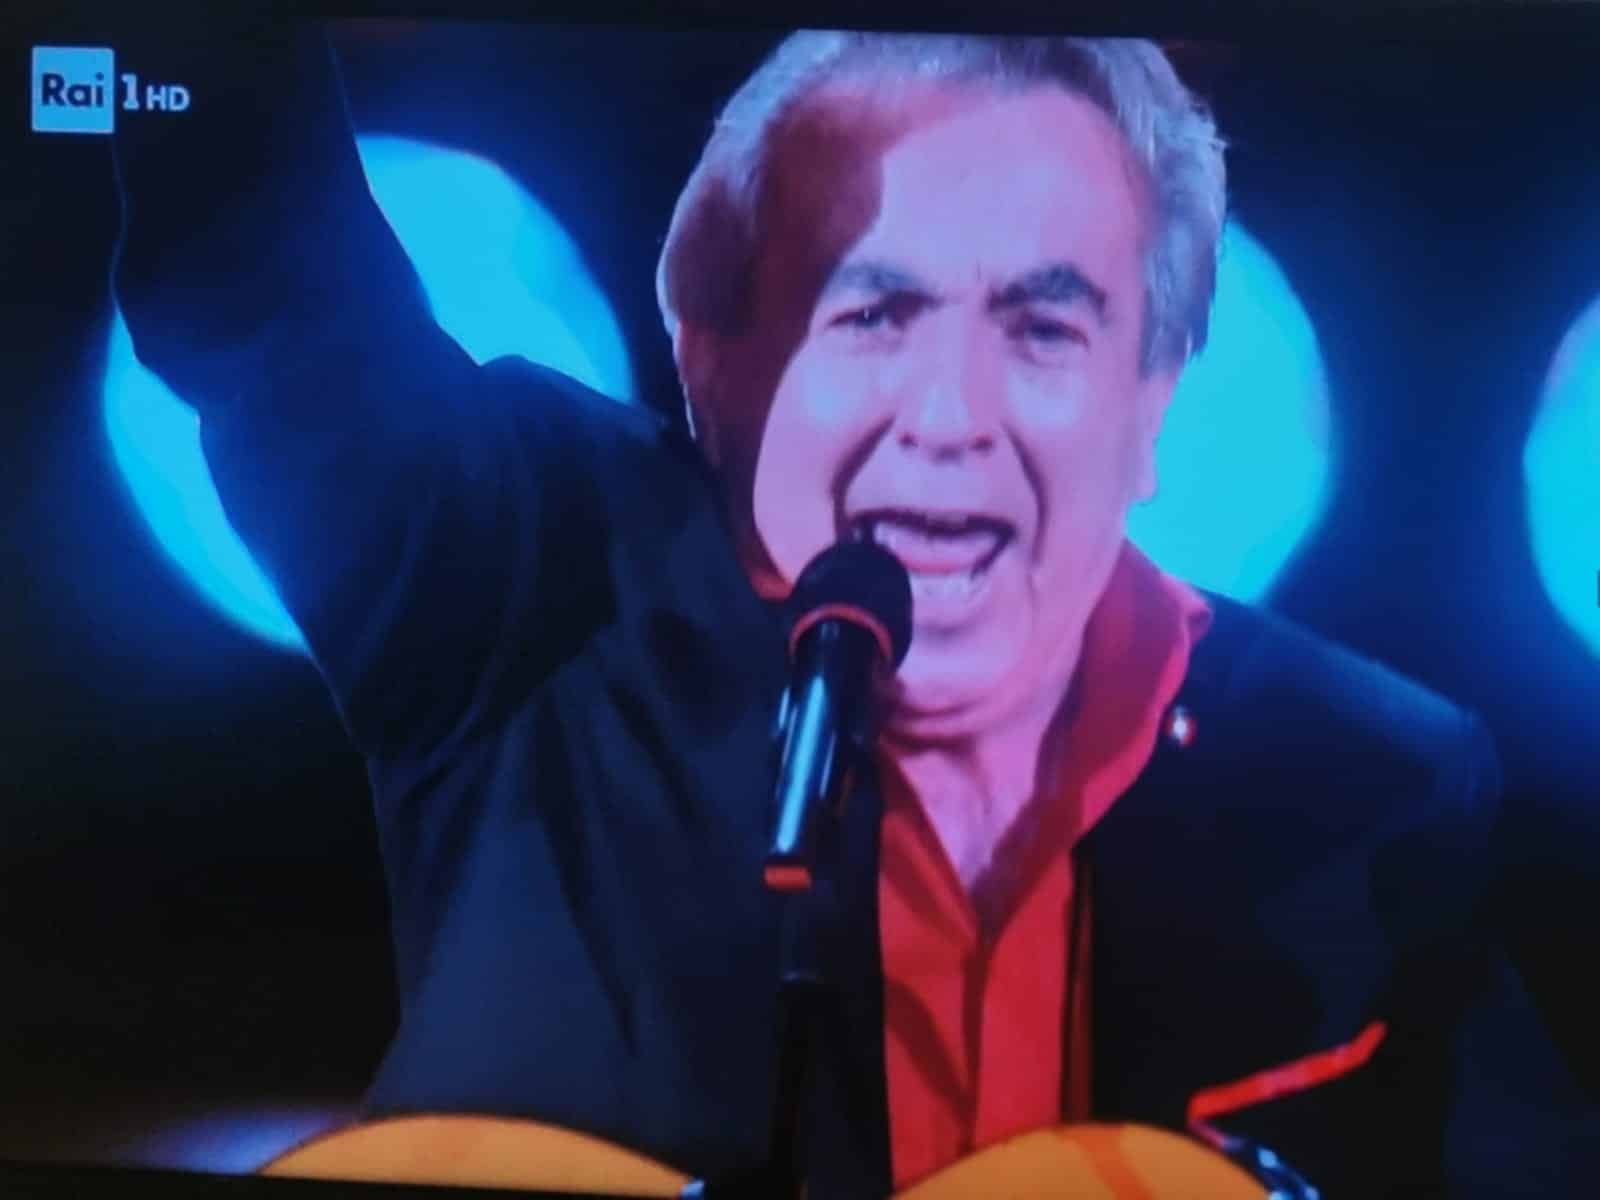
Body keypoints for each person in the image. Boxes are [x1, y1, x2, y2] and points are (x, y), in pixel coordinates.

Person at [111, 23, 1596, 1199]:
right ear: (714, 360)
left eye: (1043, 325)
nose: (949, 414)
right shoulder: (523, 572)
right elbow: (261, 278)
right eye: (872, 311)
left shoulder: (1375, 782)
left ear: (1154, 403)